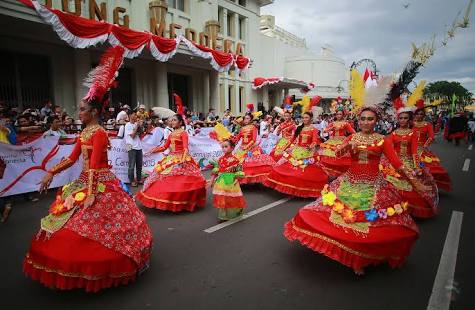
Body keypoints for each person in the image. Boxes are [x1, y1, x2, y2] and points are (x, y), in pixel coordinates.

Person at [23, 45, 153, 292]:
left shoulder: (100, 133)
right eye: (79, 109)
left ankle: (105, 267)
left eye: (82, 110)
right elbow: (73, 160)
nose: (78, 113)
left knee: (95, 225)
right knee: (65, 223)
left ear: (94, 111)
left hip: (98, 182)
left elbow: (94, 167)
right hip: (85, 181)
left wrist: (91, 193)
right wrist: (51, 171)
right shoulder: (84, 132)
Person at [284, 106, 425, 275]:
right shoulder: (352, 137)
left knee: (364, 223)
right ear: (358, 120)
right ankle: (348, 253)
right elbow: (337, 154)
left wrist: (415, 181)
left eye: (370, 119)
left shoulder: (382, 139)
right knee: (338, 217)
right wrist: (348, 146)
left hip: (373, 185)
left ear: (376, 121)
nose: (366, 122)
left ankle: (360, 258)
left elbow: (397, 163)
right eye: (363, 119)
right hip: (349, 181)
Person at [137, 114, 206, 212]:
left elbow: (186, 148)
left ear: (180, 122)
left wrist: (183, 159)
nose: (172, 122)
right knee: (163, 178)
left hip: (181, 158)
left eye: (174, 120)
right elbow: (165, 147)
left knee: (180, 181)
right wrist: (153, 150)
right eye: (171, 120)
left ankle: (181, 202)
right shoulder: (171, 134)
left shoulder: (183, 133)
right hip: (171, 158)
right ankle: (166, 200)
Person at [383, 108, 438, 218]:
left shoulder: (413, 133)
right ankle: (394, 208)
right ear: (397, 119)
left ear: (409, 120)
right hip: (395, 163)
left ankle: (408, 209)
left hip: (409, 162)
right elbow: (389, 151)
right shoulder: (393, 134)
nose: (403, 120)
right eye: (401, 118)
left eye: (405, 118)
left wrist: (416, 167)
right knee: (390, 185)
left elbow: (414, 152)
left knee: (411, 185)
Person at [264, 112, 328, 197]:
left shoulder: (314, 130)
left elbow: (315, 141)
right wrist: (285, 148)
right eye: (303, 117)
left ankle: (301, 189)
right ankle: (289, 187)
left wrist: (311, 146)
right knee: (287, 168)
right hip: (296, 150)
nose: (304, 119)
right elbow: (292, 139)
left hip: (307, 152)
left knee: (303, 171)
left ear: (311, 118)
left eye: (306, 117)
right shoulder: (299, 128)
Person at [413, 106, 452, 192]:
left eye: (421, 114)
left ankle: (425, 184)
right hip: (411, 149)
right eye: (417, 114)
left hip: (422, 149)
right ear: (414, 115)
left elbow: (431, 137)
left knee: (424, 168)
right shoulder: (411, 124)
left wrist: (425, 146)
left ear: (424, 115)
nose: (419, 116)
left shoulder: (428, 125)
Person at [233, 113, 275, 184]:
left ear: (251, 119)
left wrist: (247, 147)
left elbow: (253, 140)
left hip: (251, 148)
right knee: (238, 163)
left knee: (253, 165)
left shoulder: (253, 127)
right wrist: (232, 140)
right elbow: (237, 138)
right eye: (245, 118)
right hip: (242, 148)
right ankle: (239, 180)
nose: (246, 120)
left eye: (247, 118)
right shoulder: (242, 129)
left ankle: (253, 180)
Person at [210, 139, 246, 221]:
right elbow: (216, 171)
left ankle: (233, 213)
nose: (223, 149)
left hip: (231, 182)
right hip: (221, 182)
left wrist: (237, 177)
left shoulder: (236, 160)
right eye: (222, 147)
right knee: (222, 198)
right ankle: (223, 216)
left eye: (226, 146)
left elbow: (240, 171)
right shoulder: (220, 159)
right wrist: (211, 181)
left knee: (231, 198)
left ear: (232, 148)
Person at [318, 109, 356, 177]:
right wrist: (332, 128)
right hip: (332, 141)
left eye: (340, 114)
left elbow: (353, 132)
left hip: (342, 142)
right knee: (330, 157)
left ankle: (340, 173)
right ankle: (331, 173)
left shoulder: (346, 123)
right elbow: (325, 131)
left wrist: (349, 139)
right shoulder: (332, 123)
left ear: (343, 115)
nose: (339, 115)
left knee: (341, 157)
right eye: (337, 114)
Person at [124, 112, 143, 186]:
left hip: (139, 146)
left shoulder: (136, 124)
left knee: (139, 164)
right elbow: (132, 136)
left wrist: (140, 126)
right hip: (130, 146)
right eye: (134, 115)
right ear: (130, 116)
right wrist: (137, 126)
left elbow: (141, 134)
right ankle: (132, 181)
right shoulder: (127, 125)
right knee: (131, 164)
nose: (136, 116)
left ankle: (139, 179)